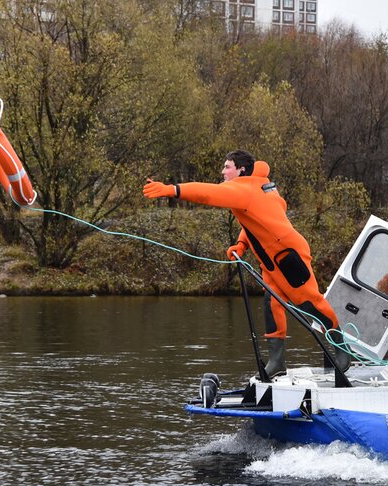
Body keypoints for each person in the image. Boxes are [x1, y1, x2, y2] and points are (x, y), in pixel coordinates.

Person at [143, 150, 350, 376]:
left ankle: (343, 350)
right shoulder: (260, 185)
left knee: (310, 303)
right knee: (272, 305)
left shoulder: (243, 189)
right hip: (270, 261)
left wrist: (173, 190)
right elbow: (253, 219)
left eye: (227, 167)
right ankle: (277, 362)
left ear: (241, 170)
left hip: (287, 256)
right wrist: (241, 245)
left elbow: (207, 194)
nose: (223, 171)